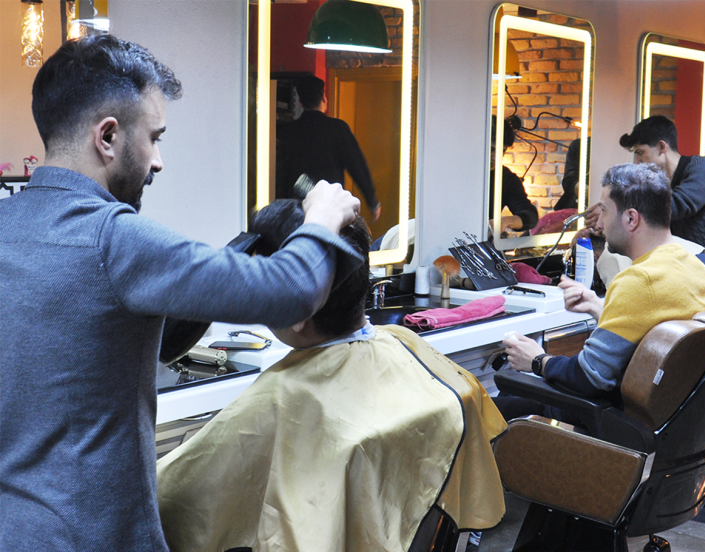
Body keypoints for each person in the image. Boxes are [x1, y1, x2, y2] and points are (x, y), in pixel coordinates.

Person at [0, 35, 362, 551]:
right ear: (108, 136)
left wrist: (217, 275)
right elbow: (293, 293)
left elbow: (136, 340)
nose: (158, 161)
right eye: (154, 137)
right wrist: (321, 221)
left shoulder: (8, 223)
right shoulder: (113, 239)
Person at [156, 201, 507, 552]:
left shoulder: (282, 394)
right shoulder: (403, 342)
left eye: (267, 289)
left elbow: (168, 500)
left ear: (294, 308)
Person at [495, 163, 705, 422]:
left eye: (603, 211)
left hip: (615, 424)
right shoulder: (697, 268)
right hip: (677, 420)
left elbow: (589, 377)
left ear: (631, 219)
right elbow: (645, 327)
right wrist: (597, 306)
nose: (600, 224)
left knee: (487, 406)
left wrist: (536, 360)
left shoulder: (638, 280)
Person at [619, 115, 705, 285]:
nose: (637, 162)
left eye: (640, 153)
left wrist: (618, 206)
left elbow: (678, 205)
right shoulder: (660, 188)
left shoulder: (704, 167)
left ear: (662, 147)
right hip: (702, 282)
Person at [276, 76, 381, 221]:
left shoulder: (288, 131)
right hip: (330, 207)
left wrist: (280, 208)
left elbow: (281, 174)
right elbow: (357, 166)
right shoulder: (338, 129)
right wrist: (372, 201)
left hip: (298, 208)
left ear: (300, 102)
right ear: (324, 98)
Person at [490, 115, 539, 232]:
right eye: (491, 149)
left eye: (501, 151)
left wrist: (506, 221)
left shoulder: (505, 178)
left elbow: (530, 215)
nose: (495, 158)